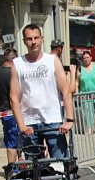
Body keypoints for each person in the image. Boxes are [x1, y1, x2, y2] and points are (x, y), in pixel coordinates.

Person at [10, 24, 75, 160]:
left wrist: (69, 120)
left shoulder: (52, 60)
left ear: (42, 39)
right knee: (34, 166)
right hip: (29, 123)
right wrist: (21, 125)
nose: (33, 42)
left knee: (60, 163)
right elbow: (13, 97)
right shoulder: (17, 64)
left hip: (53, 121)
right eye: (29, 39)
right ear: (24, 41)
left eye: (36, 38)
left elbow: (66, 91)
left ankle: (62, 174)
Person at [0, 47, 20, 162]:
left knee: (10, 140)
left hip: (3, 111)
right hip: (13, 112)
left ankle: (13, 166)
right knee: (14, 142)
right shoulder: (11, 74)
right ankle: (13, 167)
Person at [77, 49, 95, 132]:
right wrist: (77, 93)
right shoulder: (80, 68)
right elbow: (77, 82)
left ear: (91, 58)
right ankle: (90, 128)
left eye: (87, 57)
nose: (86, 59)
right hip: (85, 94)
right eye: (84, 58)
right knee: (88, 112)